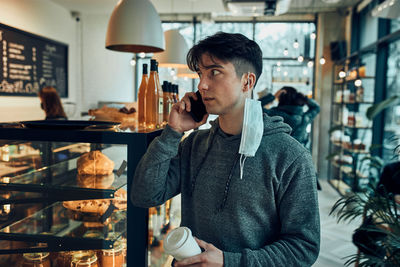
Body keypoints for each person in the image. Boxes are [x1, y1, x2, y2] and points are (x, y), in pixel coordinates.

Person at [131, 32, 320, 266]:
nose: (201, 84)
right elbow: (144, 195)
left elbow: (303, 247)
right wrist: (173, 132)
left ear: (247, 82)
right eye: (200, 73)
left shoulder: (290, 156)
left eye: (214, 72)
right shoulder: (194, 144)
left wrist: (229, 262)